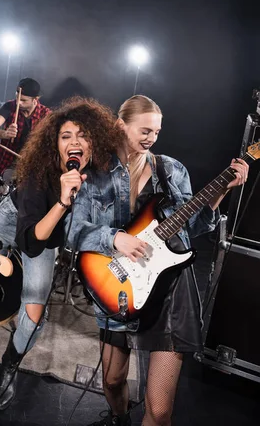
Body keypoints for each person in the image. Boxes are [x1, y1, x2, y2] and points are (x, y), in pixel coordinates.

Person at [67, 95, 249, 426]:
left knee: (161, 410)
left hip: (169, 292)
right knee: (111, 381)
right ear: (121, 125)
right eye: (145, 130)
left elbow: (193, 226)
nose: (152, 137)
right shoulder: (95, 173)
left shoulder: (170, 169)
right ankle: (118, 419)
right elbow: (71, 231)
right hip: (120, 284)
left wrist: (223, 190)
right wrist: (113, 238)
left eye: (157, 132)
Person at [0, 97, 123, 410]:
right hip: (11, 223)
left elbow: (50, 241)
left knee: (33, 314)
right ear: (55, 143)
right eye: (66, 136)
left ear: (94, 141)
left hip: (48, 238)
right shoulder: (37, 175)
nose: (75, 142)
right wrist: (63, 201)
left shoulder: (98, 175)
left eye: (83, 135)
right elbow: (30, 241)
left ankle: (11, 363)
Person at [0, 77, 51, 182]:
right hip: (6, 164)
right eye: (17, 98)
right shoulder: (10, 106)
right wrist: (4, 134)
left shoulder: (46, 115)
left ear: (35, 100)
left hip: (31, 167)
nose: (18, 103)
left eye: (23, 100)